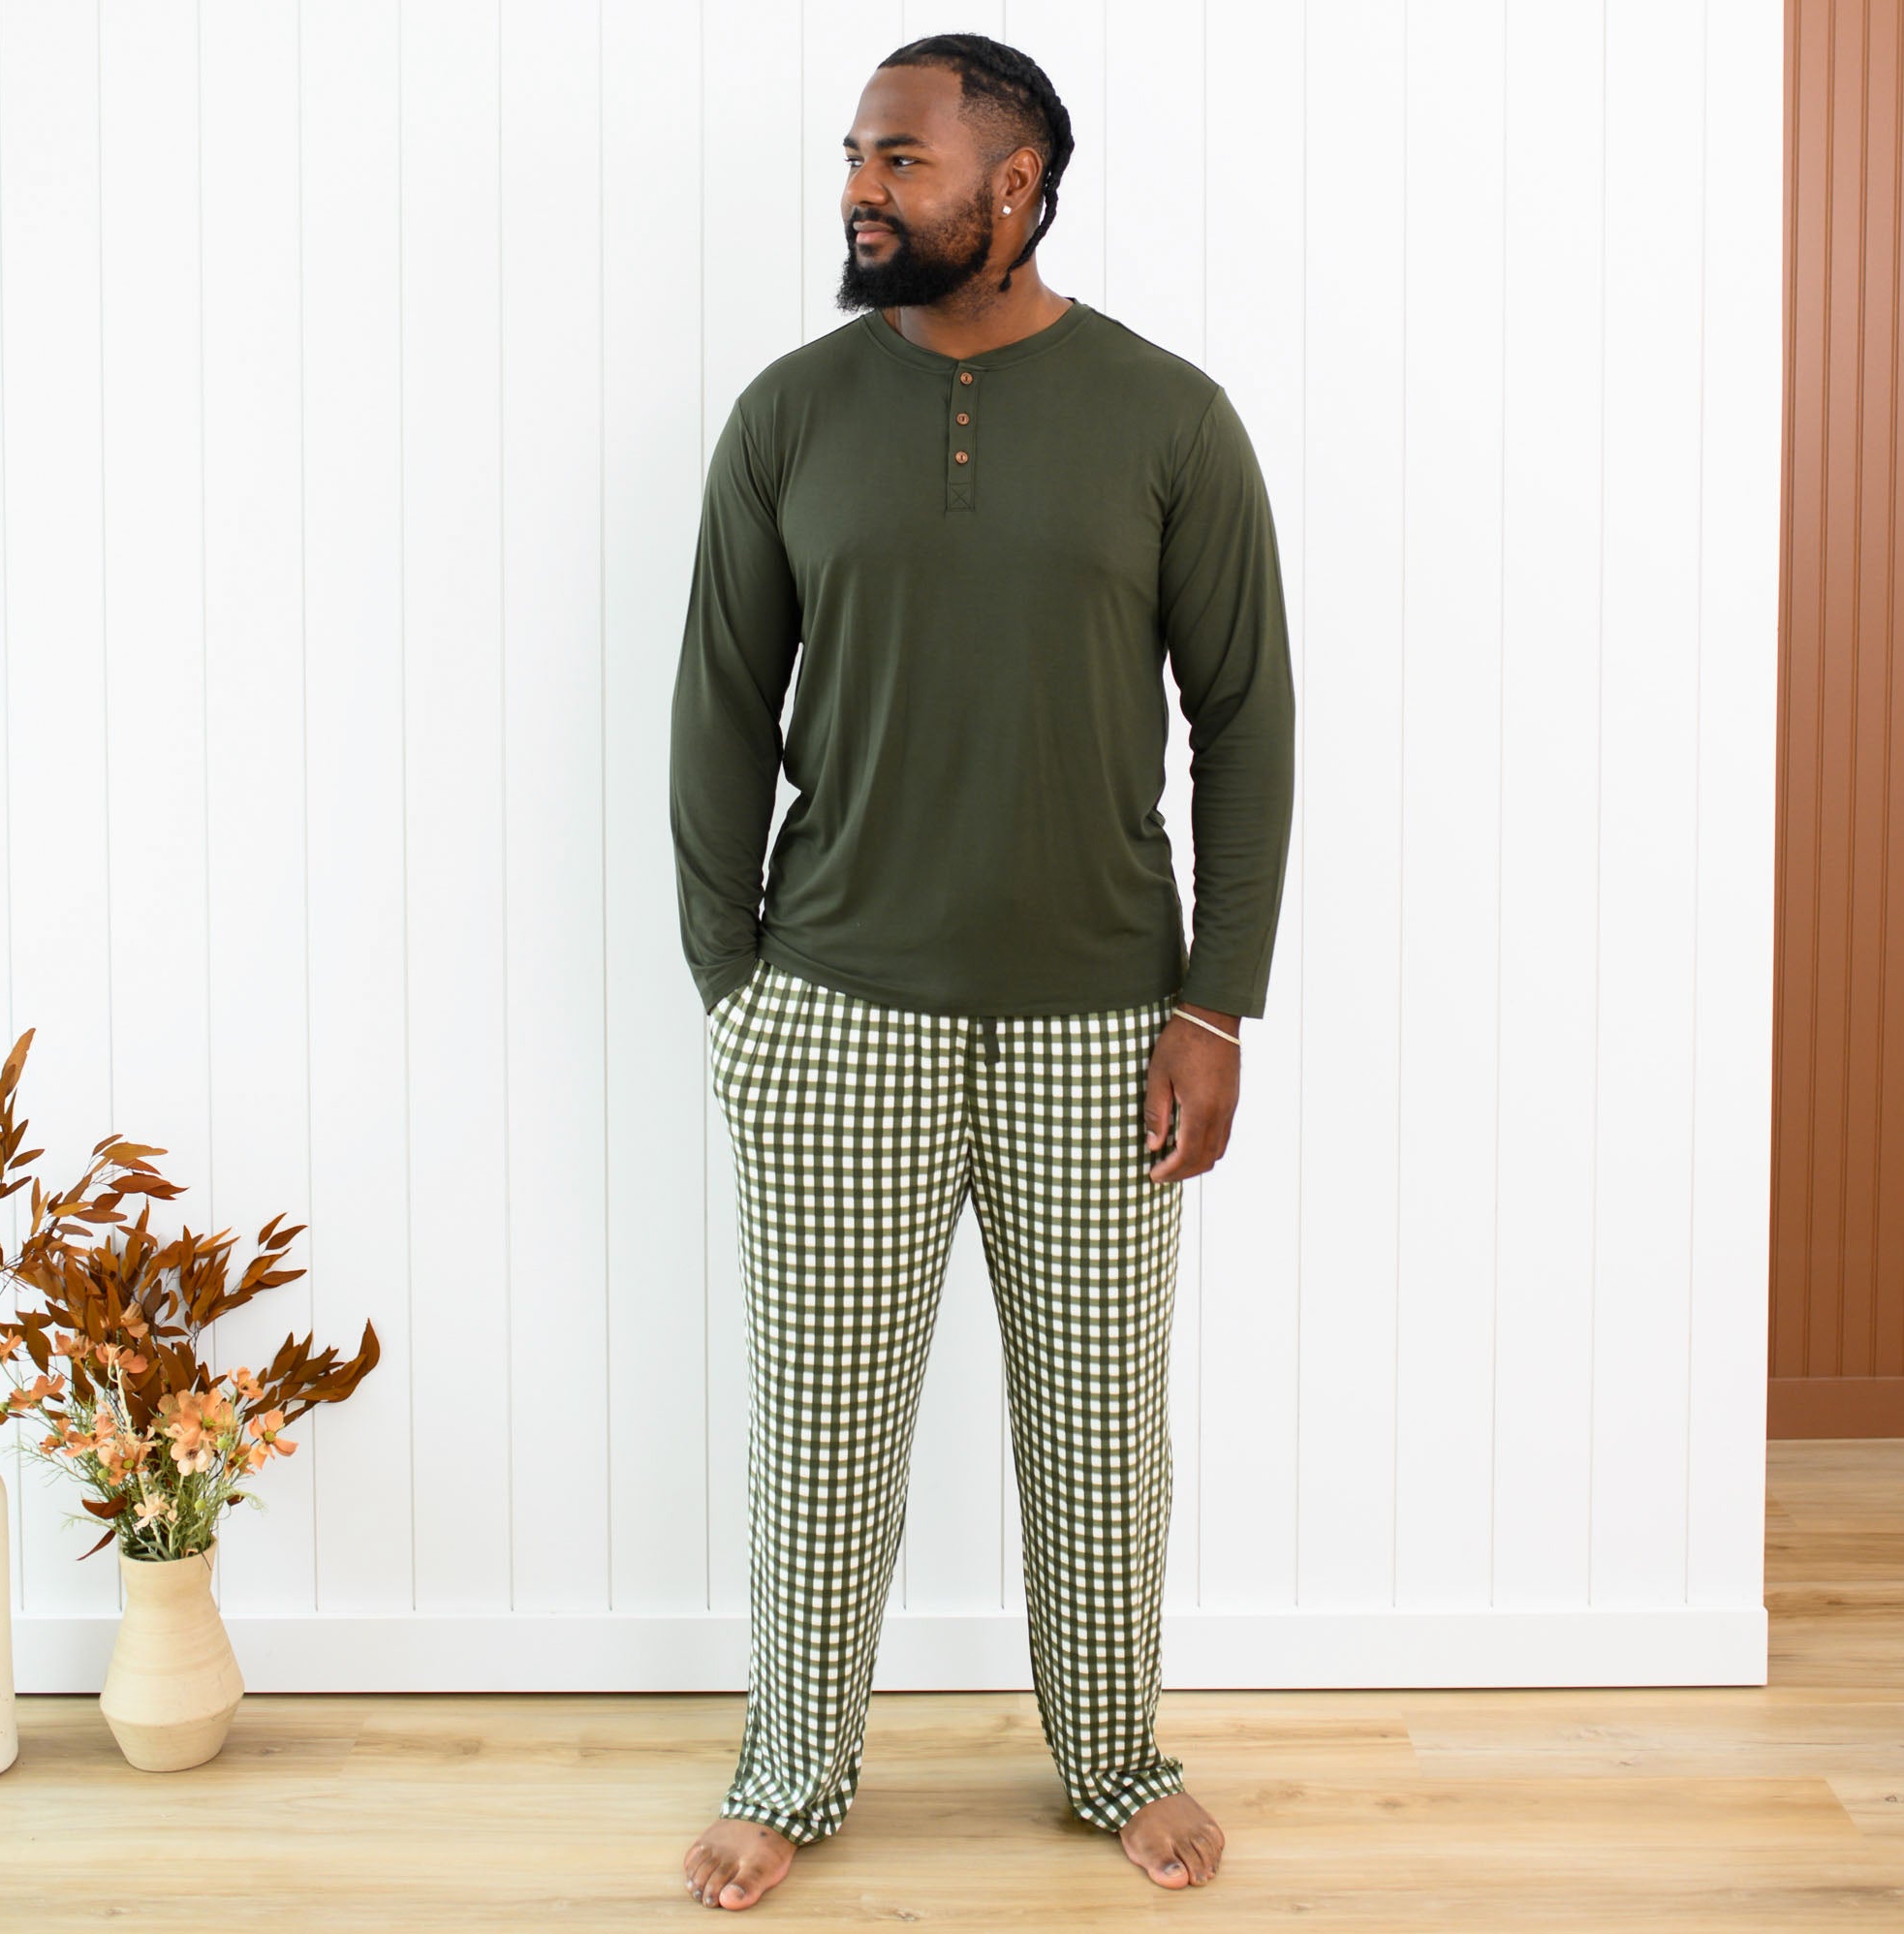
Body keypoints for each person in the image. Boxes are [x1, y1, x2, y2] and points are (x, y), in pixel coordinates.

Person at [670, 29, 1294, 1913]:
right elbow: (714, 710)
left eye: (900, 159)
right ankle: (790, 1761)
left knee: (1101, 1426)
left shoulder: (1168, 419)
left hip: (1106, 1018)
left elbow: (1245, 719)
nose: (860, 187)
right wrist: (736, 988)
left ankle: (1113, 1753)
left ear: (1012, 186)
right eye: (854, 155)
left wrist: (1214, 999)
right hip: (835, 1008)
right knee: (824, 1428)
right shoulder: (785, 415)